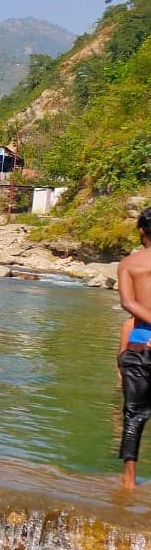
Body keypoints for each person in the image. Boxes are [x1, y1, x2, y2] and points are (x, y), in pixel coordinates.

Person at [117, 207, 151, 489]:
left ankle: (129, 480)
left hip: (139, 346)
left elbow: (128, 304)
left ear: (142, 231)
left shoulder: (129, 263)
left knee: (134, 413)